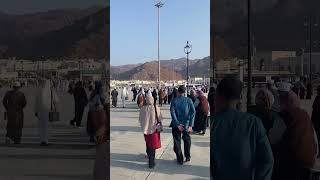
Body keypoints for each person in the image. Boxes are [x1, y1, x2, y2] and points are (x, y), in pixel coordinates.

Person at [211, 78, 273, 180]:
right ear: (240, 97)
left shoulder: (213, 123)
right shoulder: (254, 123)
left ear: (218, 96)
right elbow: (267, 160)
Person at [272, 89, 317, 180]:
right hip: (309, 162)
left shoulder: (283, 116)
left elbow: (272, 138)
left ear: (284, 103)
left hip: (291, 164)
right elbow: (315, 140)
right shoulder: (305, 115)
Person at [170, 85, 196, 165]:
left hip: (176, 125)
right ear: (185, 92)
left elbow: (172, 113)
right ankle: (187, 156)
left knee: (177, 141)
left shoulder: (174, 101)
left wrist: (177, 124)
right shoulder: (189, 100)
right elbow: (193, 112)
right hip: (186, 124)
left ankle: (180, 158)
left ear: (178, 92)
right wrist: (191, 125)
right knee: (187, 140)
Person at [139, 95, 163, 168]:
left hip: (146, 130)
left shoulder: (143, 108)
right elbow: (160, 118)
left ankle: (149, 155)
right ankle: (151, 162)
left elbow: (140, 119)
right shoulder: (156, 108)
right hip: (154, 130)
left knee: (148, 143)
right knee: (153, 146)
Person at [35, 80, 59, 146]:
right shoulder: (51, 91)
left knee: (41, 126)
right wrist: (55, 109)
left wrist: (36, 111)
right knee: (47, 126)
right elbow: (56, 101)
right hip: (48, 111)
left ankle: (42, 140)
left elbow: (36, 102)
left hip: (40, 112)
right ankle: (46, 141)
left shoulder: (39, 91)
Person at [312, 85, 320, 157]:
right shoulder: (317, 97)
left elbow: (315, 108)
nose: (317, 91)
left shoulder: (318, 98)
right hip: (316, 120)